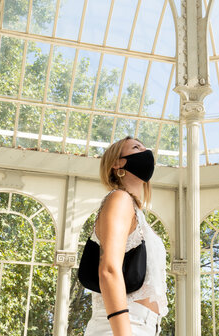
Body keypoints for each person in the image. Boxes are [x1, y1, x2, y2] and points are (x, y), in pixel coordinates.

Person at [84, 136, 168, 336]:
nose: (146, 153)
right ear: (117, 163)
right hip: (122, 326)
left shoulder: (138, 215)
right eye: (136, 147)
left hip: (145, 327)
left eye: (146, 147)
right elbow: (109, 270)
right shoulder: (119, 199)